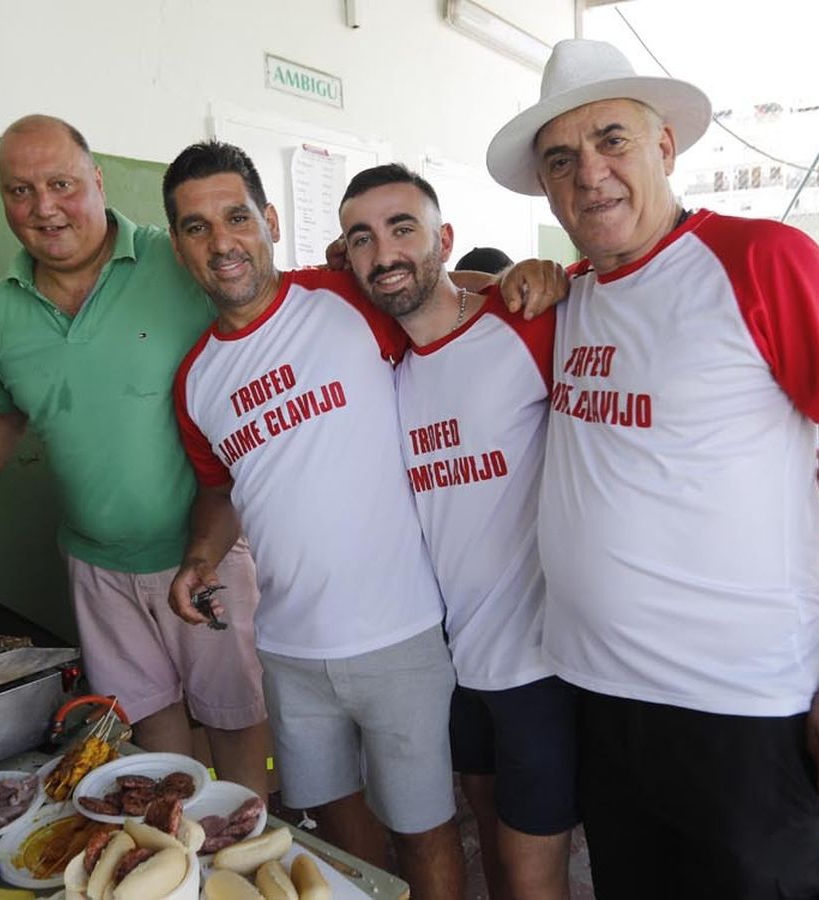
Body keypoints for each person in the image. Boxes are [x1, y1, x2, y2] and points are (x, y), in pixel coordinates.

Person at [484, 39, 819, 898]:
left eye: (612, 141)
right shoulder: (575, 292)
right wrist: (528, 276)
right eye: (562, 159)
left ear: (664, 148)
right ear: (545, 186)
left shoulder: (763, 260)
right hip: (602, 699)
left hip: (742, 709)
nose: (590, 174)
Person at [0, 116, 270, 793]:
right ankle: (186, 870)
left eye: (62, 184)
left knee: (240, 727)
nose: (44, 207)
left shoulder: (173, 258)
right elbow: (4, 413)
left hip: (206, 551)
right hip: (96, 569)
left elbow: (276, 298)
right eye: (19, 190)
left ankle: (254, 858)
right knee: (152, 737)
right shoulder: (2, 310)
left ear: (98, 181)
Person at [162, 141, 466, 899]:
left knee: (425, 833)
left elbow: (445, 297)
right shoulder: (197, 379)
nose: (222, 241)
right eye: (196, 228)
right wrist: (200, 558)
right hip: (291, 654)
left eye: (236, 217)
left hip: (401, 636)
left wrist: (528, 281)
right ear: (178, 247)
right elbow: (221, 490)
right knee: (338, 839)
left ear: (268, 220)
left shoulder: (344, 298)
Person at [338, 164, 574, 899]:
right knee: (497, 860)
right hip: (457, 666)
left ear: (444, 237)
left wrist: (548, 272)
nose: (385, 253)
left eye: (403, 228)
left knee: (535, 879)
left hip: (541, 666)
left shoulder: (527, 322)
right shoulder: (386, 363)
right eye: (362, 239)